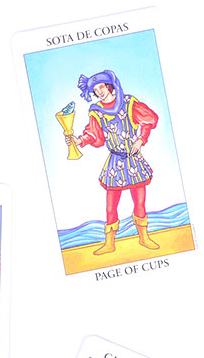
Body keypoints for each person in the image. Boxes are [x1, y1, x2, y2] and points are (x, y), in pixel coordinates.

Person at [65, 70, 160, 255]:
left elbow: (149, 119)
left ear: (109, 86)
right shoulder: (96, 111)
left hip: (133, 160)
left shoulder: (128, 102)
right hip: (115, 162)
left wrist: (141, 139)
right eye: (95, 90)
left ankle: (144, 237)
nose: (99, 91)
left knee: (140, 203)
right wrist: (79, 140)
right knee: (110, 207)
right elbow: (94, 135)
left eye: (101, 87)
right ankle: (109, 244)